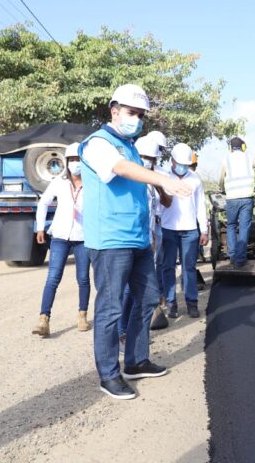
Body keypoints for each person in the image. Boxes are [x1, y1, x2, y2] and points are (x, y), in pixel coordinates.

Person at [79, 84, 192, 400]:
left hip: (138, 239)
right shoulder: (98, 144)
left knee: (147, 298)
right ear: (114, 110)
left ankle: (136, 360)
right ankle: (108, 375)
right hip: (111, 240)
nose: (137, 119)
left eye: (141, 115)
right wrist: (163, 179)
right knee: (111, 308)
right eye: (131, 113)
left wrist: (149, 236)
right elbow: (121, 169)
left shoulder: (128, 144)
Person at [31, 143, 91, 338]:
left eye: (79, 160)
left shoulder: (92, 183)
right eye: (72, 160)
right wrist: (40, 226)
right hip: (59, 236)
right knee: (53, 278)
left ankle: (82, 316)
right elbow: (44, 203)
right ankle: (43, 320)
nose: (75, 164)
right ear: (66, 162)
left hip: (83, 237)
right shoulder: (59, 182)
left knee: (83, 279)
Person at [118, 134, 170, 349]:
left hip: (147, 240)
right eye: (144, 157)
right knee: (127, 291)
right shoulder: (125, 178)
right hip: (127, 239)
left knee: (143, 294)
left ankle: (132, 337)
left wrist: (158, 184)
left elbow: (163, 204)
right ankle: (121, 333)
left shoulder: (155, 179)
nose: (148, 161)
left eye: (151, 158)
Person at [160, 143, 208, 319]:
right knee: (168, 267)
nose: (182, 167)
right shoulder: (163, 177)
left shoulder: (195, 179)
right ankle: (171, 303)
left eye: (185, 164)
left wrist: (204, 230)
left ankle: (192, 303)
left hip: (190, 230)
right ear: (172, 160)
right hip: (168, 229)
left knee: (189, 268)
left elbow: (200, 206)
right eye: (179, 163)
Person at [218, 137, 255, 267]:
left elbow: (221, 178)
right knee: (244, 227)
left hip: (232, 199)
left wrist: (221, 188)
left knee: (231, 226)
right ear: (243, 147)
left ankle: (232, 256)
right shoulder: (249, 157)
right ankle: (240, 259)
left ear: (230, 148)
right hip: (247, 198)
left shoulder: (225, 159)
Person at [189, 152, 208, 291]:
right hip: (191, 223)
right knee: (190, 255)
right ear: (195, 164)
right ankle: (190, 279)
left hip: (172, 224)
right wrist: (204, 230)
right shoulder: (195, 178)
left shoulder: (170, 176)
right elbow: (201, 206)